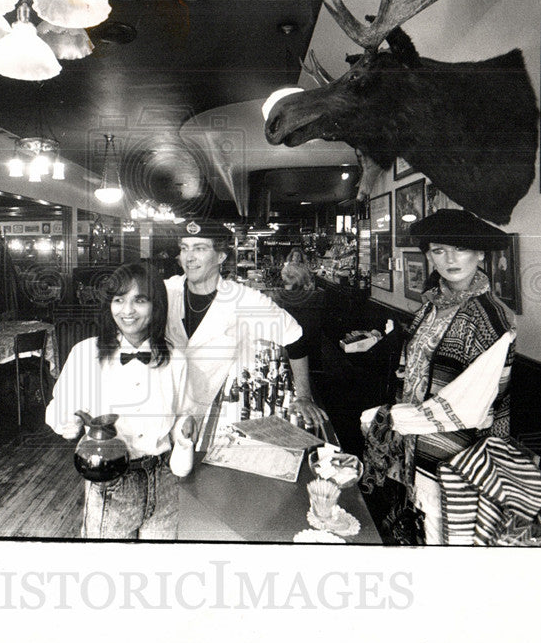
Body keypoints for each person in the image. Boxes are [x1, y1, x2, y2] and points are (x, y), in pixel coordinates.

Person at [359, 209, 515, 545]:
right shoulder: (430, 307)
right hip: (416, 446)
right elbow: (412, 370)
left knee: (450, 540)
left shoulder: (491, 316)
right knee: (418, 531)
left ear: (480, 253)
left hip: (462, 454)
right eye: (439, 250)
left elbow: (473, 406)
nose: (450, 259)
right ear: (429, 256)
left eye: (460, 248)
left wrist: (391, 418)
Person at [45, 261, 194, 539]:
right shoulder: (85, 354)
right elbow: (57, 414)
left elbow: (182, 413)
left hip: (164, 480)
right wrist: (71, 420)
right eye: (119, 300)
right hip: (109, 483)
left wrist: (185, 430)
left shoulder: (175, 359)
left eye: (140, 300)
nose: (127, 311)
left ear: (157, 306)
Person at [164, 218, 328, 436]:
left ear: (221, 256)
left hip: (214, 415)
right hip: (164, 412)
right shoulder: (165, 291)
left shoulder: (243, 299)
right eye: (184, 248)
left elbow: (295, 337)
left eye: (200, 248)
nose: (189, 257)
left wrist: (304, 397)